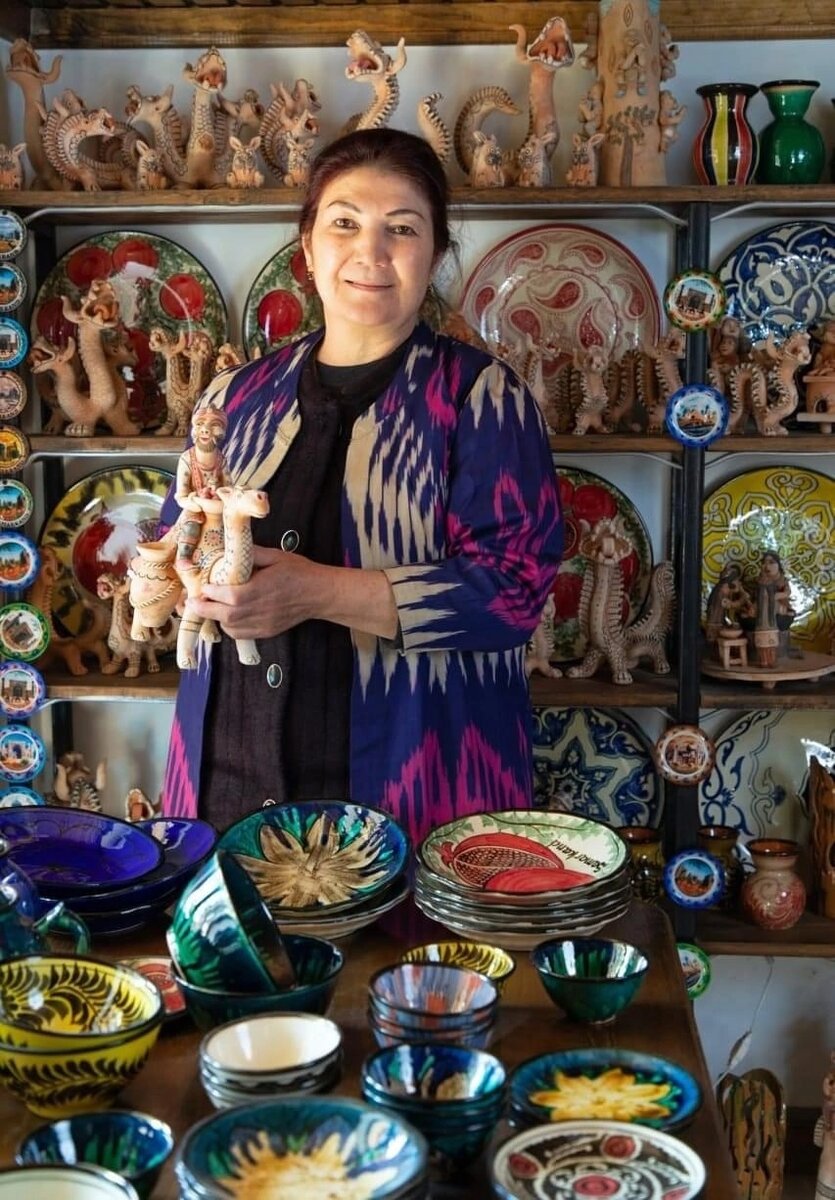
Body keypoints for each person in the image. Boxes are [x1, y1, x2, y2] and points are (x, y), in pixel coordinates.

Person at [158, 127, 563, 844]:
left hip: (416, 798)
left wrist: (316, 591)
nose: (370, 252)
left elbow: (514, 594)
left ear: (435, 253)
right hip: (226, 790)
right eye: (344, 223)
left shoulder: (481, 398)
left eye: (401, 229)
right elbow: (177, 543)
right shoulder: (231, 399)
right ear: (308, 248)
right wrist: (166, 581)